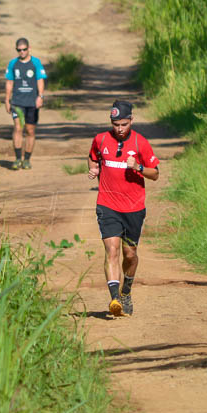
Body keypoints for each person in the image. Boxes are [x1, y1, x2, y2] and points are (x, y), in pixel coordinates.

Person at [87, 100, 160, 317]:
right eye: (115, 124)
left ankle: (126, 291)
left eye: (124, 124)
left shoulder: (141, 143)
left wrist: (137, 167)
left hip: (134, 208)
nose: (119, 129)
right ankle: (114, 299)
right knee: (112, 250)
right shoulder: (100, 140)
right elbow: (92, 159)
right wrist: (93, 169)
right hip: (107, 205)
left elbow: (155, 174)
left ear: (131, 121)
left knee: (130, 254)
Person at [4, 37, 46, 169]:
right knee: (18, 128)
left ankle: (27, 159)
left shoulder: (36, 63)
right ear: (16, 50)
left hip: (32, 102)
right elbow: (9, 82)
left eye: (24, 49)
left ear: (29, 48)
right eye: (19, 50)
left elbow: (40, 80)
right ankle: (17, 159)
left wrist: (40, 96)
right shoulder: (13, 64)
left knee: (30, 130)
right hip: (17, 101)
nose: (22, 52)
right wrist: (7, 100)